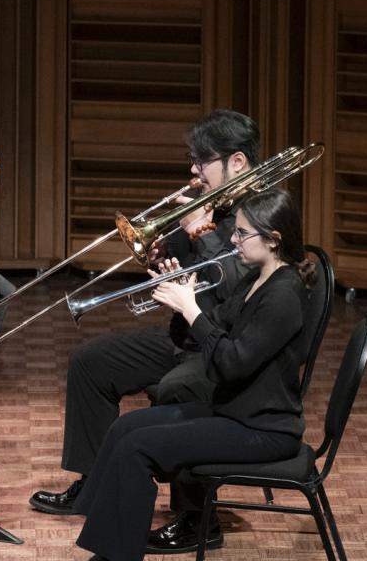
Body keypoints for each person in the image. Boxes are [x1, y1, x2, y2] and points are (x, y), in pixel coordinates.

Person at [57, 188, 312, 561]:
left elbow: (231, 362)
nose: (233, 240)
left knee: (137, 448)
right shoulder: (256, 279)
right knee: (125, 427)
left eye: (242, 234)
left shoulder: (284, 295)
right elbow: (215, 329)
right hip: (235, 411)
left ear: (273, 240)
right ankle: (109, 554)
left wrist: (192, 311)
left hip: (263, 428)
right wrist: (187, 297)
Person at [29, 109, 260, 537]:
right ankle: (95, 485)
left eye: (202, 160)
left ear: (238, 162)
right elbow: (194, 271)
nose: (193, 170)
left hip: (224, 348)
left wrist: (201, 232)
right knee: (91, 362)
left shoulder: (261, 213)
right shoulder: (211, 202)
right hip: (186, 334)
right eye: (192, 159)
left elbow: (237, 285)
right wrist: (163, 255)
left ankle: (196, 519)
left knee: (178, 388)